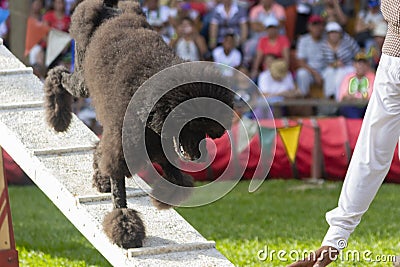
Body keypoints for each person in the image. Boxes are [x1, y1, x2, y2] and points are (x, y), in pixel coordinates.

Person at [288, 0, 400, 265]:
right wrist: (335, 239)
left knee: (371, 148)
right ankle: (334, 238)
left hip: (392, 57)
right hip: (393, 58)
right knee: (371, 147)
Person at [321, 21, 360, 99]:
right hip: (330, 68)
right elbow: (323, 61)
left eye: (336, 32)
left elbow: (358, 53)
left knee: (340, 74)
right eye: (331, 33)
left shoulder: (347, 40)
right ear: (328, 34)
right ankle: (329, 97)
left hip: (348, 66)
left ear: (340, 33)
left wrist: (356, 64)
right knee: (329, 74)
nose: (334, 35)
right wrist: (334, 64)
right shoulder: (323, 45)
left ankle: (339, 99)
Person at [337, 52, 375, 118]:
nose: (361, 66)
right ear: (354, 65)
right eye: (359, 63)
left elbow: (370, 97)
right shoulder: (348, 77)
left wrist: (354, 98)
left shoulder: (372, 77)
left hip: (365, 107)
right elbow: (342, 96)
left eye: (364, 64)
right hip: (350, 106)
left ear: (367, 66)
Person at [295, 14, 326, 96]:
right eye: (314, 25)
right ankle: (303, 100)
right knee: (301, 73)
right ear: (309, 27)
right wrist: (315, 74)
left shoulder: (327, 39)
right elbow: (301, 62)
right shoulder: (303, 40)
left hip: (324, 71)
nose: (317, 28)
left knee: (332, 73)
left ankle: (331, 103)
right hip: (310, 72)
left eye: (319, 25)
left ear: (322, 27)